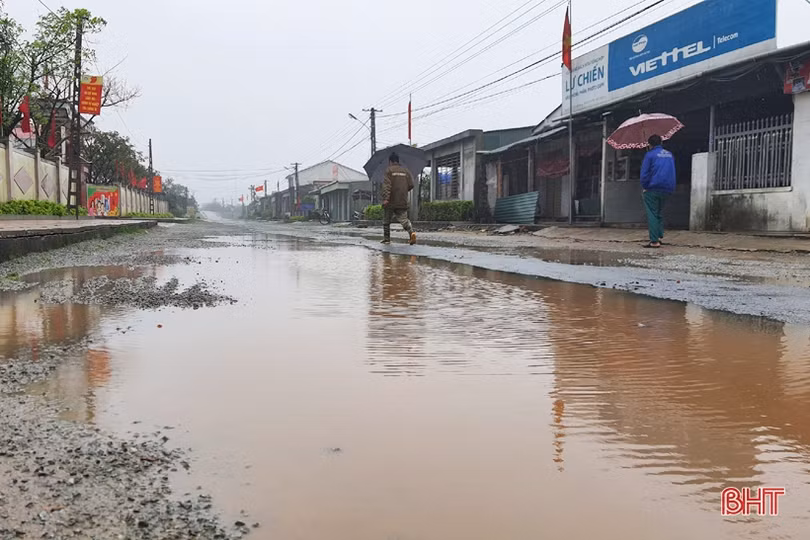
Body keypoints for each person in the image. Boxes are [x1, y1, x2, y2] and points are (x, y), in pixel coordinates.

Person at [640, 134, 676, 248]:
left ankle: (654, 241)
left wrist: (645, 186)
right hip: (667, 188)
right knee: (659, 212)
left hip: (653, 188)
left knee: (652, 213)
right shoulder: (669, 154)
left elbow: (644, 174)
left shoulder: (649, 155)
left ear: (650, 144)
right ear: (661, 143)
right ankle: (659, 235)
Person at [381, 152, 417, 245]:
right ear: (398, 161)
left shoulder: (389, 171)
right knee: (404, 219)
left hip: (391, 201)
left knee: (386, 221)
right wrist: (403, 190)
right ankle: (411, 232)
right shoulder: (406, 171)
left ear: (390, 161)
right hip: (402, 200)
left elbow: (387, 186)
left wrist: (386, 199)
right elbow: (411, 185)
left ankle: (387, 239)